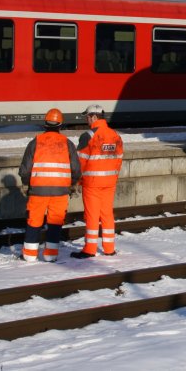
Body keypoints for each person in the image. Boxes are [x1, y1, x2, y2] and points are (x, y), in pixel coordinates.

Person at [18, 108, 81, 262]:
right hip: (60, 192)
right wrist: (72, 185)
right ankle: (50, 255)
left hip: (38, 191)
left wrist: (27, 184)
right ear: (60, 125)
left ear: (45, 124)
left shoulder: (35, 142)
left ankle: (29, 255)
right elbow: (76, 170)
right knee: (55, 222)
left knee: (34, 221)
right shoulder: (68, 144)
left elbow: (25, 170)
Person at [71, 104, 123, 259]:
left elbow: (81, 161)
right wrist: (112, 176)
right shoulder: (115, 135)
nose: (86, 120)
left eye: (87, 116)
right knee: (107, 214)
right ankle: (109, 248)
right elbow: (119, 159)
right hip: (109, 182)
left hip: (92, 183)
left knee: (92, 216)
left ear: (93, 117)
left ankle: (90, 249)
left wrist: (78, 180)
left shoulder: (88, 136)